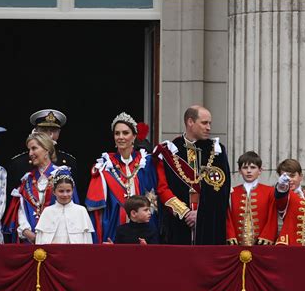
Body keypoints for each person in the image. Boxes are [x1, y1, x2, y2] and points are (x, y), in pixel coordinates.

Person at [154, 105, 231, 245]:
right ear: (190, 122)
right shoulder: (169, 151)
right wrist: (185, 213)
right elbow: (162, 188)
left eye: (210, 123)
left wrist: (201, 214)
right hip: (178, 223)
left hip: (208, 225)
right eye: (204, 123)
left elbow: (222, 190)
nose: (209, 127)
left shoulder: (217, 151)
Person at [85, 112, 159, 243]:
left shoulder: (145, 162)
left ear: (134, 136)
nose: (121, 137)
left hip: (142, 225)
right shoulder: (105, 164)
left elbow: (152, 195)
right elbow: (97, 207)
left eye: (125, 133)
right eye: (117, 133)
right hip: (114, 223)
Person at [2, 132, 80, 243]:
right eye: (29, 149)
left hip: (58, 240)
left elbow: (72, 210)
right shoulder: (27, 179)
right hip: (31, 242)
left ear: (47, 150)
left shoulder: (62, 174)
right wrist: (26, 232)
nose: (30, 153)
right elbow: (21, 210)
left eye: (34, 148)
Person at [5, 109, 77, 199]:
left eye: (53, 130)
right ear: (35, 132)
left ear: (59, 133)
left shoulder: (69, 162)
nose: (49, 134)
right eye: (44, 130)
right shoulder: (18, 163)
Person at [226, 151, 277, 245]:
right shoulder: (231, 192)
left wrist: (267, 236)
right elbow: (227, 217)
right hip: (237, 243)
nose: (249, 171)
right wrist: (230, 235)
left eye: (253, 167)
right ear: (240, 171)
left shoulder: (270, 191)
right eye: (245, 168)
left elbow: (272, 217)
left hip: (261, 244)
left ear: (260, 170)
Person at [35, 169, 93, 244]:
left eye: (68, 191)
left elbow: (88, 240)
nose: (65, 195)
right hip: (52, 254)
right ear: (54, 192)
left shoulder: (81, 211)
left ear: (72, 191)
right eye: (61, 191)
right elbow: (39, 240)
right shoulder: (47, 212)